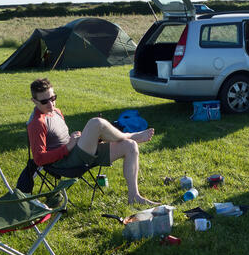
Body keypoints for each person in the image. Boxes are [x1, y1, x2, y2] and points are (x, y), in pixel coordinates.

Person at [27, 78, 157, 206]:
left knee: (130, 146)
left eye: (53, 98)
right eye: (45, 101)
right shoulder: (37, 123)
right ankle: (130, 135)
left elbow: (63, 139)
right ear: (34, 101)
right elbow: (39, 159)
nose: (51, 104)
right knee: (96, 123)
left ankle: (134, 196)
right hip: (64, 164)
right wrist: (68, 147)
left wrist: (78, 140)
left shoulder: (56, 111)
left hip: (76, 152)